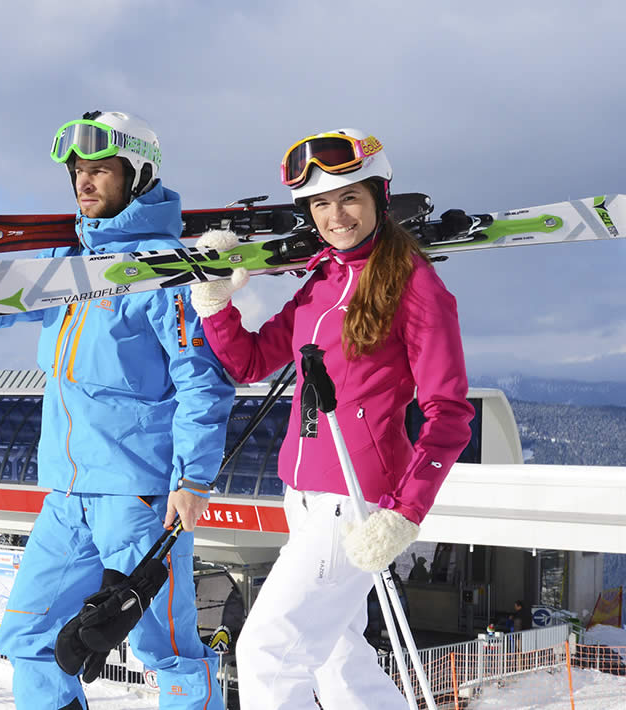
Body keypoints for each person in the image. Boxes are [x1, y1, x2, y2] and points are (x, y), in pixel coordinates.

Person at [0, 109, 234, 710]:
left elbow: (204, 381)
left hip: (138, 499)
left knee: (163, 648)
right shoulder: (68, 269)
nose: (84, 182)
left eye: (100, 170)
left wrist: (194, 477)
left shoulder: (165, 274)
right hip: (67, 496)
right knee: (28, 636)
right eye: (77, 172)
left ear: (137, 175)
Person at [192, 128, 473, 709]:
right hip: (301, 493)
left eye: (349, 197)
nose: (336, 214)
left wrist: (404, 513)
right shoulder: (323, 278)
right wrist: (217, 303)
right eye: (321, 203)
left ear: (378, 199)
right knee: (340, 658)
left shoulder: (416, 286)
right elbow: (249, 360)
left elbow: (449, 413)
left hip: (356, 504)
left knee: (269, 653)